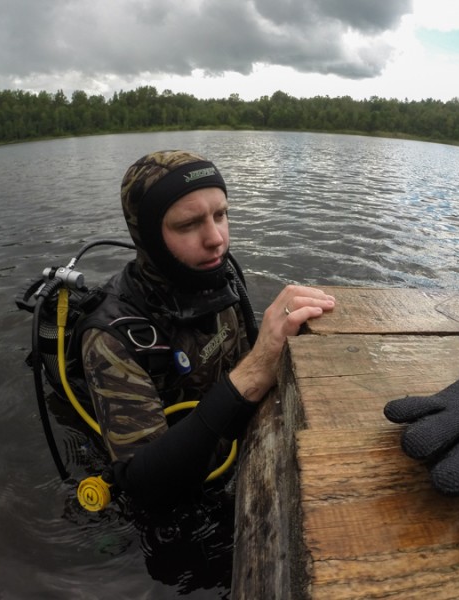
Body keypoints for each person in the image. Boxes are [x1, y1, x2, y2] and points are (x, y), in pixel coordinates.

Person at [76, 149, 335, 510]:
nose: (216, 239)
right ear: (148, 237)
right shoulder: (112, 336)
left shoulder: (219, 275)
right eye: (188, 224)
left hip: (221, 435)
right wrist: (259, 367)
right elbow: (147, 489)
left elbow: (246, 352)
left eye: (221, 214)